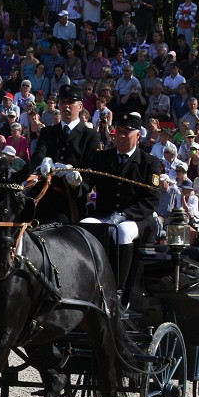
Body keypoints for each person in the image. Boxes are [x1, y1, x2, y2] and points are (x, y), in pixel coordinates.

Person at [81, 111, 162, 293]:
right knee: (84, 226)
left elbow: (152, 199)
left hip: (136, 218)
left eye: (127, 132)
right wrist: (75, 180)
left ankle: (118, 288)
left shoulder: (149, 162)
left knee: (123, 231)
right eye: (119, 131)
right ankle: (87, 282)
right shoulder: (102, 157)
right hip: (105, 214)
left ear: (138, 135)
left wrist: (125, 214)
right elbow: (88, 182)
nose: (121, 136)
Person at [30, 84, 99, 222]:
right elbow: (38, 154)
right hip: (42, 196)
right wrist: (43, 163)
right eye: (62, 102)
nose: (66, 106)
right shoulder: (48, 132)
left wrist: (76, 183)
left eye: (70, 103)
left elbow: (91, 172)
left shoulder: (90, 135)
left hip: (69, 202)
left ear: (80, 106)